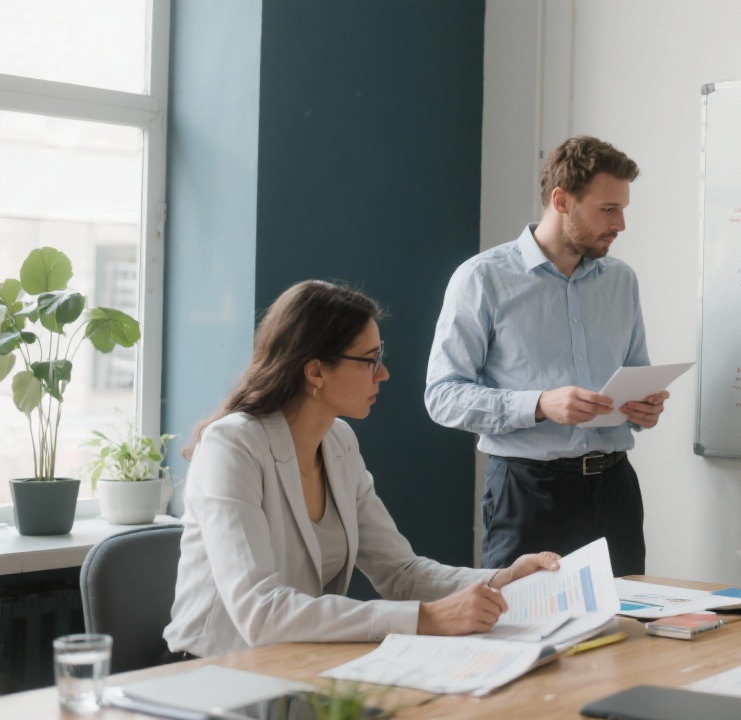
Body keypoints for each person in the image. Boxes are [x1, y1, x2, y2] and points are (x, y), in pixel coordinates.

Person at [165, 281, 560, 658]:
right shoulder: (231, 445)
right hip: (213, 673)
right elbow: (260, 613)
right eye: (370, 361)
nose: (383, 374)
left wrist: (501, 579)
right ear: (316, 371)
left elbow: (401, 573)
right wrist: (425, 618)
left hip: (295, 665)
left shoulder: (338, 441)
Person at [425, 136, 666, 577]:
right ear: (561, 200)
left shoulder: (621, 281)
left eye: (622, 208)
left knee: (628, 631)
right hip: (526, 493)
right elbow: (442, 396)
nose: (621, 224)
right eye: (608, 209)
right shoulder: (482, 279)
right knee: (523, 630)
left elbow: (636, 376)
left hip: (615, 490)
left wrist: (643, 409)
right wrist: (539, 405)